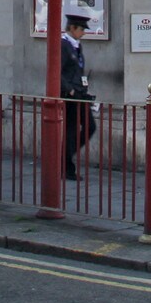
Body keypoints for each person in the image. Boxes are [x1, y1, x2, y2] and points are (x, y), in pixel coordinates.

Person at [60, 9, 95, 181]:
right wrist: (70, 89)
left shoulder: (76, 45)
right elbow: (57, 71)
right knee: (72, 130)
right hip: (70, 95)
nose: (83, 33)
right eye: (81, 29)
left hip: (80, 93)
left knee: (89, 127)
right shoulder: (63, 45)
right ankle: (66, 165)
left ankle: (64, 157)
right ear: (72, 28)